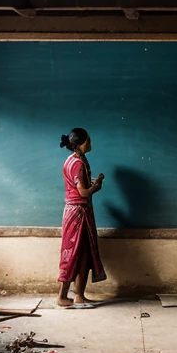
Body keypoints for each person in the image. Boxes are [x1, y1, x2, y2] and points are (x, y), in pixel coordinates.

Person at [57, 127, 107, 308]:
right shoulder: (77, 163)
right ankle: (62, 296)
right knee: (74, 254)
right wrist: (97, 186)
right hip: (78, 213)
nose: (90, 144)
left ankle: (79, 295)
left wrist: (94, 183)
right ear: (79, 145)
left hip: (78, 211)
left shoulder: (74, 159)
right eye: (88, 141)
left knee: (84, 254)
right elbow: (84, 192)